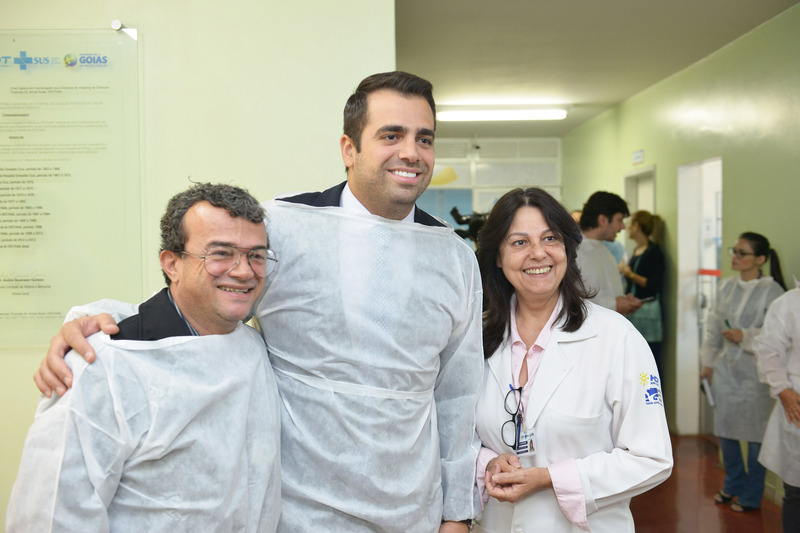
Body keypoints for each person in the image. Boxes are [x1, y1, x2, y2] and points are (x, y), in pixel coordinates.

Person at [33, 72, 482, 533]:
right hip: (298, 512)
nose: (411, 153)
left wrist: (457, 515)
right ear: (349, 149)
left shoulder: (454, 257)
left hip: (413, 510)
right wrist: (95, 323)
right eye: (391, 135)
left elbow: (459, 394)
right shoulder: (287, 226)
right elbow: (200, 300)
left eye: (424, 139)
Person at [7, 183, 281, 532]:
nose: (244, 271)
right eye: (221, 253)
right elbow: (49, 515)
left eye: (256, 255)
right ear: (172, 264)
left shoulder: (256, 347)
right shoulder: (103, 364)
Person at [473, 187, 672, 532]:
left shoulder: (616, 337)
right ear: (497, 257)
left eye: (550, 238)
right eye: (519, 242)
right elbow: (454, 434)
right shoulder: (476, 337)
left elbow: (651, 458)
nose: (538, 253)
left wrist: (551, 478)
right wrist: (487, 462)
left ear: (567, 248)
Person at [699, 231, 786, 513]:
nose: (735, 257)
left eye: (742, 253)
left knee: (756, 434)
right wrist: (708, 363)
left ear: (760, 259)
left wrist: (746, 336)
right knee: (726, 429)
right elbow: (713, 327)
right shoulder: (726, 287)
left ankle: (752, 493)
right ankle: (733, 483)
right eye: (734, 251)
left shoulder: (773, 292)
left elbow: (777, 336)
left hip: (757, 374)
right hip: (726, 370)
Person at [755, 283, 800, 532]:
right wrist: (783, 391)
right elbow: (768, 349)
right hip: (797, 403)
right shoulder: (791, 302)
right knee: (796, 490)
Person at [576, 191, 642, 315]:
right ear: (603, 220)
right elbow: (573, 301)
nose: (623, 227)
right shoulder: (573, 253)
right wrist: (614, 304)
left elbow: (606, 291)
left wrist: (624, 300)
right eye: (619, 220)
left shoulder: (604, 249)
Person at [619, 210, 666, 379]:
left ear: (637, 226)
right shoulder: (637, 250)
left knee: (649, 358)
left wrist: (630, 274)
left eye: (630, 224)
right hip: (634, 310)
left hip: (648, 312)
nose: (626, 228)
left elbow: (654, 284)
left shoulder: (654, 252)